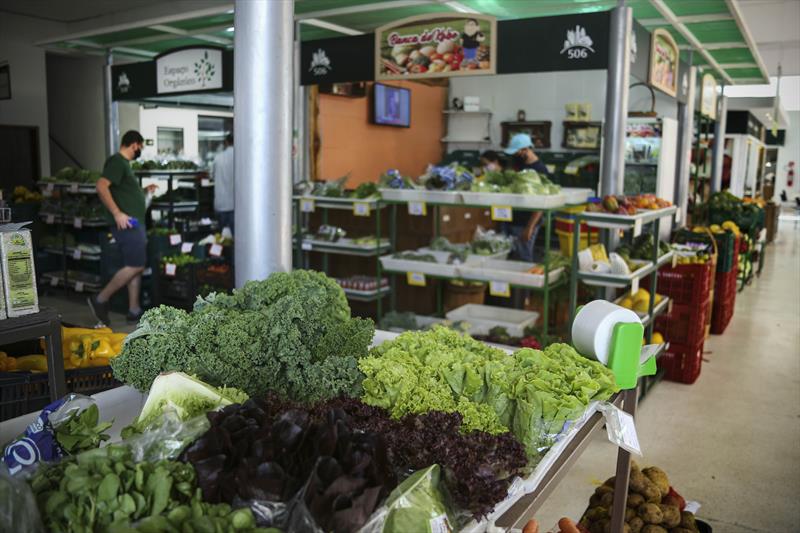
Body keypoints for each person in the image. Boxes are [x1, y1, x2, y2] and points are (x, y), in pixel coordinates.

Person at [88, 130, 157, 325]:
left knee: (134, 265)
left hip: (134, 222)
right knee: (137, 265)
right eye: (140, 147)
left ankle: (134, 309)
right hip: (127, 224)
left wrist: (143, 191)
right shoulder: (117, 162)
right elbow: (101, 186)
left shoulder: (124, 164)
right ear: (134, 144)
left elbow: (123, 192)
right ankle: (100, 299)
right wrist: (117, 213)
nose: (139, 151)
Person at [502, 133, 552, 262]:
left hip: (526, 222)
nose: (514, 155)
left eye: (517, 152)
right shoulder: (520, 165)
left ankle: (523, 281)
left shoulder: (540, 170)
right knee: (510, 256)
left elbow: (542, 202)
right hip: (512, 219)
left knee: (523, 257)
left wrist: (529, 228)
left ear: (526, 149)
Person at [213, 133, 234, 233]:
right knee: (237, 240)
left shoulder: (218, 158)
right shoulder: (241, 157)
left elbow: (211, 175)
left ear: (226, 142)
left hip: (221, 204)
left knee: (221, 241)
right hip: (235, 205)